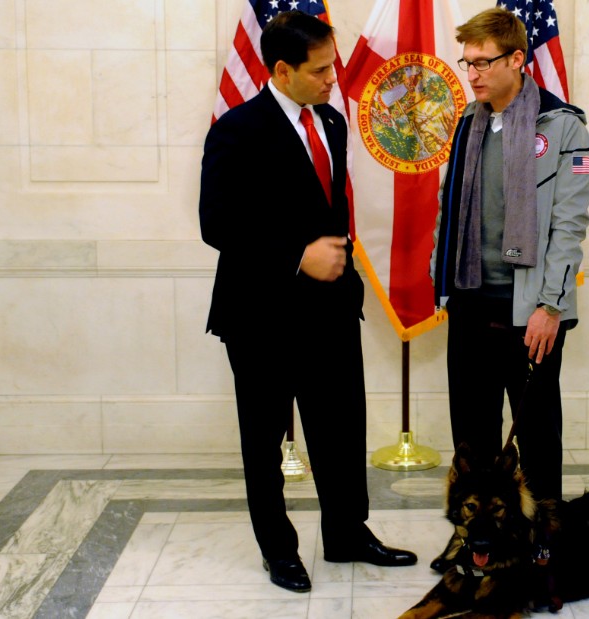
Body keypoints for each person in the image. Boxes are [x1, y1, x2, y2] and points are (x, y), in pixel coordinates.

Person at [199, 11, 416, 593]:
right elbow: (215, 223)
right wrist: (297, 255)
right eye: (320, 71)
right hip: (261, 315)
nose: (331, 79)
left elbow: (330, 213)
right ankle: (280, 551)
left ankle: (348, 533)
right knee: (264, 439)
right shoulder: (236, 129)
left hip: (331, 312)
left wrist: (341, 278)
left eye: (333, 66)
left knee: (340, 428)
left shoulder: (333, 124)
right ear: (281, 70)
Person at [430, 7, 589, 569]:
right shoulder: (468, 124)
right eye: (466, 62)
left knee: (537, 436)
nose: (471, 73)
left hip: (531, 313)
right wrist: (442, 285)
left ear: (518, 60)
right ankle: (475, 540)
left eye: (483, 62)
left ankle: (546, 540)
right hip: (472, 303)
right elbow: (447, 211)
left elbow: (569, 227)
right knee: (472, 440)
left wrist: (551, 305)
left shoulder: (563, 126)